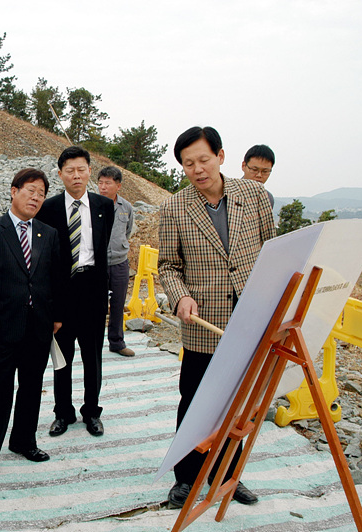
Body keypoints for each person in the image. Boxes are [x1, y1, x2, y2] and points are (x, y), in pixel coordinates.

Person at [158, 126, 275, 509]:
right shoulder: (176, 207)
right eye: (188, 164)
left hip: (250, 320)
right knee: (194, 402)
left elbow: (271, 253)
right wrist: (181, 298)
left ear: (221, 156)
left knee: (239, 405)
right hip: (203, 325)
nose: (197, 169)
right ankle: (186, 477)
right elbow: (168, 266)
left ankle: (228, 474)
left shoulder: (254, 194)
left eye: (203, 160)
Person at [0, 168, 62, 487]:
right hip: (2, 326)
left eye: (41, 193)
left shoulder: (48, 234)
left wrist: (57, 315)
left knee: (32, 386)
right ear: (13, 191)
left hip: (39, 326)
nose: (36, 197)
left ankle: (24, 441)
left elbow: (56, 278)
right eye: (30, 190)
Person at [35, 146, 114, 438]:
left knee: (93, 356)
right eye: (70, 170)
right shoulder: (49, 208)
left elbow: (103, 250)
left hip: (93, 288)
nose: (76, 175)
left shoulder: (105, 207)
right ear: (60, 174)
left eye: (81, 169)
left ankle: (91, 411)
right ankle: (62, 412)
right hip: (61, 293)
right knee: (62, 357)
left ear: (90, 171)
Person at [96, 166, 135, 357]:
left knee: (118, 304)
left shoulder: (126, 207)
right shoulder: (92, 205)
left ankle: (117, 343)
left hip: (120, 262)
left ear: (118, 186)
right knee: (96, 305)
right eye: (100, 182)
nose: (103, 187)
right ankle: (93, 342)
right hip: (97, 264)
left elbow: (127, 231)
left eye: (108, 183)